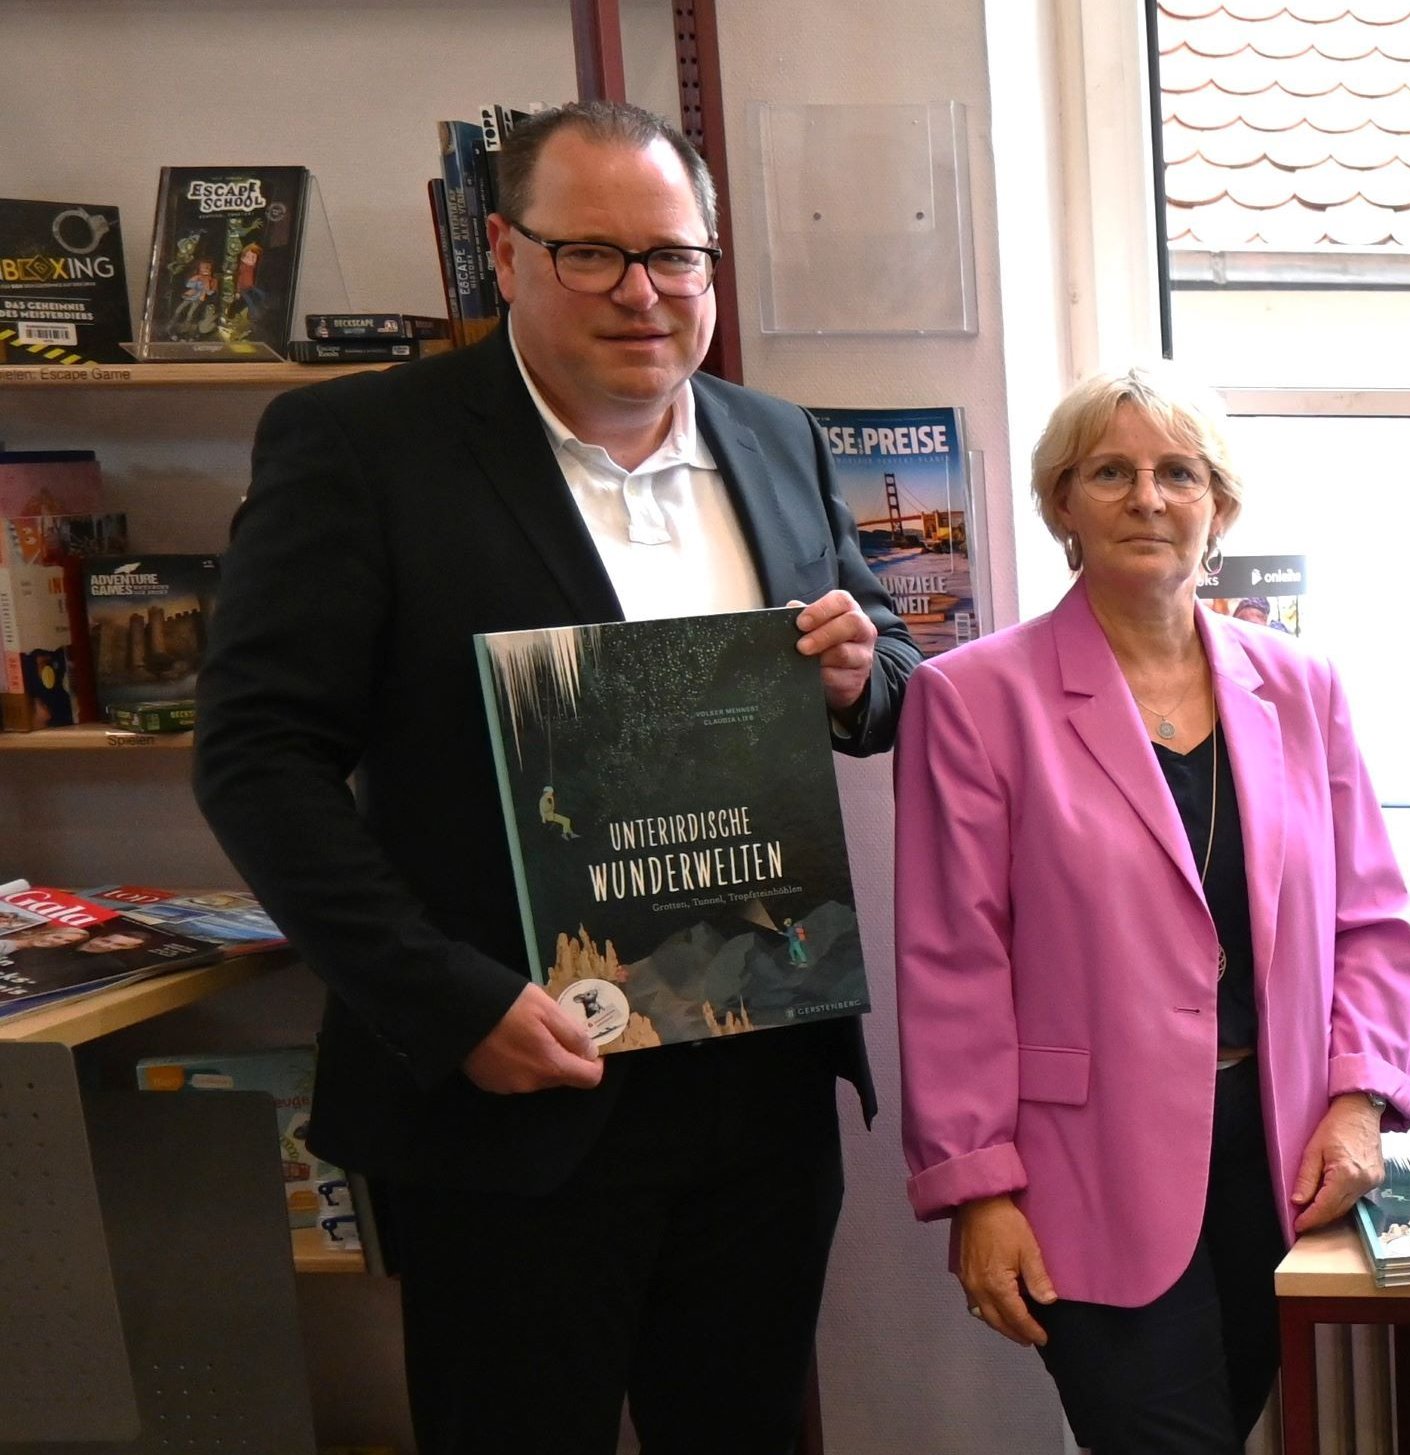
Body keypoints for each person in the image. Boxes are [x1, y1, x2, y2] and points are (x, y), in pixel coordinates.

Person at [191, 100, 917, 1454]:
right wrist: (447, 999)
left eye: (676, 256)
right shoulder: (364, 447)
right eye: (594, 253)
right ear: (506, 252)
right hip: (512, 1091)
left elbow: (887, 686)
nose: (643, 293)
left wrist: (855, 674)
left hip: (757, 1084)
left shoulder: (773, 439)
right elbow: (257, 756)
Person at [894, 363, 1410, 1454]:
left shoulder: (1301, 688)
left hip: (1277, 1160)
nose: (1147, 497)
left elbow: (1368, 923)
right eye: (1110, 473)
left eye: (1177, 473)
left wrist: (1359, 1097)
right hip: (1082, 1172)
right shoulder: (973, 699)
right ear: (1060, 507)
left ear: (1218, 508)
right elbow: (950, 964)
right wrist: (976, 1190)